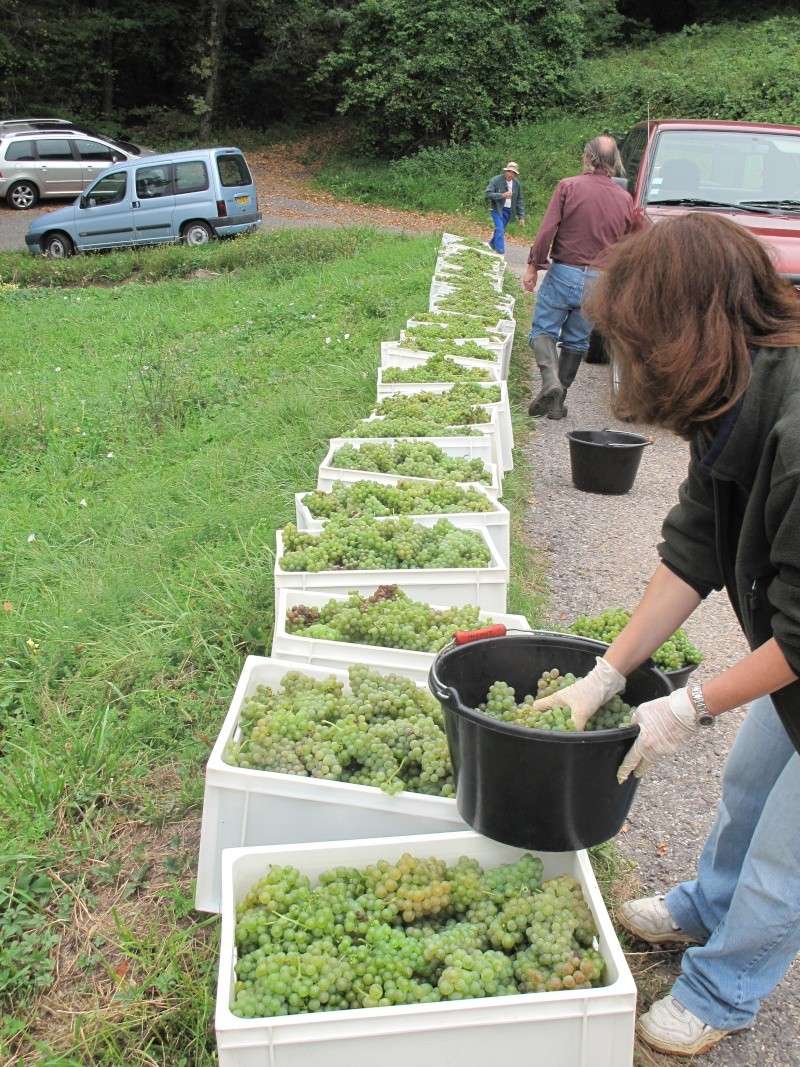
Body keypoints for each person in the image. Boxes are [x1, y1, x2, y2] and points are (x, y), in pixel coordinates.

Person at [531, 213, 800, 1058]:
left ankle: (726, 986)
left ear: (693, 328)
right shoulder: (731, 399)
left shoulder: (798, 432)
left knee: (787, 854)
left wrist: (688, 704)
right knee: (751, 788)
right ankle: (702, 908)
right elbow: (693, 548)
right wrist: (606, 674)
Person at [523, 135, 632, 420]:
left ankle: (551, 383)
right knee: (576, 342)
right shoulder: (625, 199)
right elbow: (630, 243)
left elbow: (547, 230)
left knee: (542, 331)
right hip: (598, 281)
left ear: (588, 157)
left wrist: (535, 264)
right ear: (614, 162)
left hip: (564, 272)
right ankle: (558, 405)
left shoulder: (568, 186)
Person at [484, 162, 524, 256]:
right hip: (497, 209)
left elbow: (520, 200)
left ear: (515, 174)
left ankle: (491, 245)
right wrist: (502, 195)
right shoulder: (496, 180)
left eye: (513, 172)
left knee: (500, 230)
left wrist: (521, 216)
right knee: (500, 229)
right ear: (505, 171)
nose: (510, 174)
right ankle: (500, 253)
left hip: (508, 211)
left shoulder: (517, 184)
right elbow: (488, 194)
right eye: (509, 171)